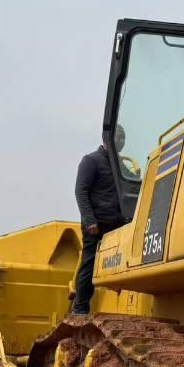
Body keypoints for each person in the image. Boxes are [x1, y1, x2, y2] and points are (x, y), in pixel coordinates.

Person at [71, 125, 127, 315]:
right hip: (96, 224)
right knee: (89, 263)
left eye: (123, 139)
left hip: (117, 224)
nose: (121, 142)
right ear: (107, 139)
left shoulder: (121, 166)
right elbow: (81, 191)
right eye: (118, 138)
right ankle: (80, 307)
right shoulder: (90, 161)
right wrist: (89, 221)